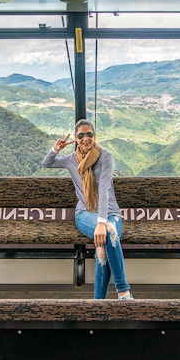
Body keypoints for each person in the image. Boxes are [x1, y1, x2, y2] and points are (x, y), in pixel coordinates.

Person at [43, 119, 133, 300]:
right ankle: (123, 292)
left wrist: (102, 222)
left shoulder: (104, 156)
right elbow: (47, 163)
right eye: (81, 135)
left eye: (89, 134)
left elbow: (104, 190)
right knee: (109, 233)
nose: (85, 138)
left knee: (108, 234)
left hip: (111, 212)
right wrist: (56, 149)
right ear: (76, 138)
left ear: (94, 136)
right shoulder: (70, 160)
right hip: (84, 214)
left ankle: (101, 301)